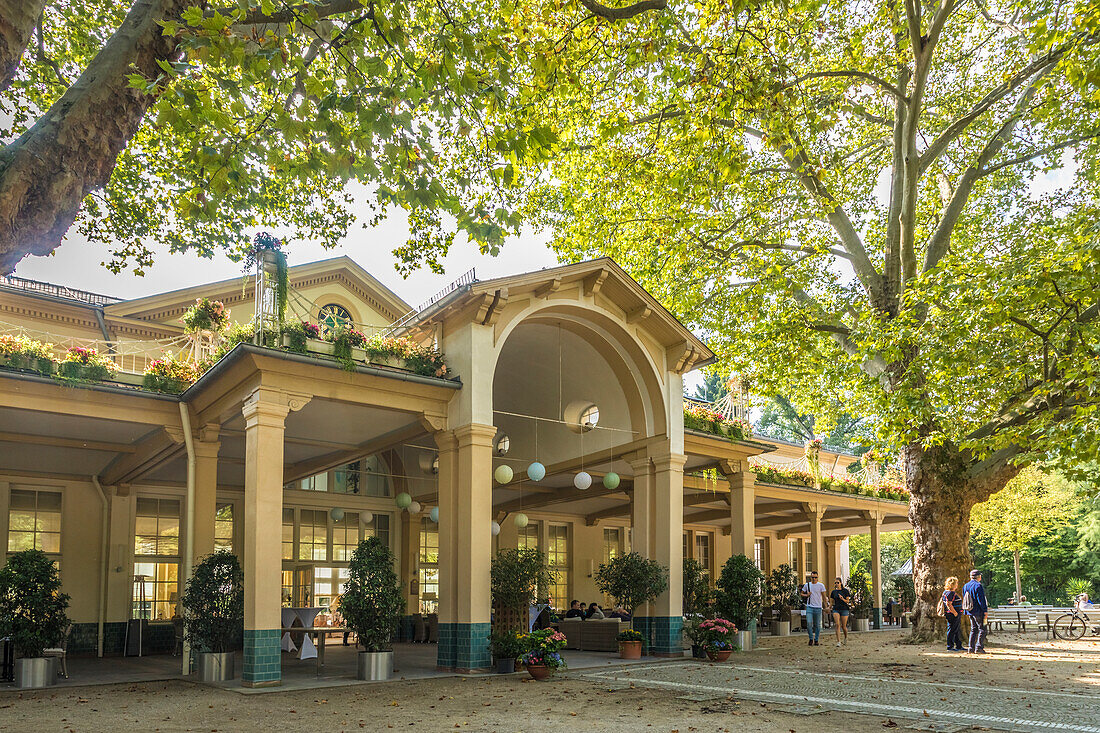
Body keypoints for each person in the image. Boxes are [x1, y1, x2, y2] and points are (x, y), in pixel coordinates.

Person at [962, 569, 988, 654]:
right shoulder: (978, 586)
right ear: (979, 577)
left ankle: (971, 647)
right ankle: (979, 647)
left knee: (974, 629)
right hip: (979, 611)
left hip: (970, 611)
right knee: (983, 629)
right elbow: (981, 600)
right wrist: (985, 611)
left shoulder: (966, 586)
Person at [801, 570, 828, 646]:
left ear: (817, 577)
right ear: (810, 578)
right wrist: (807, 595)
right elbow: (801, 593)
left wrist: (826, 607)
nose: (814, 579)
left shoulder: (821, 585)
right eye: (812, 577)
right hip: (809, 607)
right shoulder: (807, 585)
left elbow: (824, 597)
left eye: (815, 577)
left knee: (817, 625)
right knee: (809, 623)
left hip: (818, 607)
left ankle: (816, 639)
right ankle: (810, 638)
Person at [941, 576, 963, 652]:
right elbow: (949, 604)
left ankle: (958, 645)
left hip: (952, 613)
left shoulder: (945, 592)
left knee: (956, 629)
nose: (957, 585)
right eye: (956, 583)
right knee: (952, 630)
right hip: (952, 614)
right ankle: (950, 646)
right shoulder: (950, 593)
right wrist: (955, 613)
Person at [830, 577, 853, 647]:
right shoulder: (833, 592)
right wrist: (829, 607)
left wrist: (842, 599)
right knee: (837, 624)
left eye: (838, 583)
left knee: (844, 626)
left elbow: (847, 601)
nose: (836, 584)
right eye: (835, 583)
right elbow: (831, 601)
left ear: (841, 583)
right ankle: (838, 641)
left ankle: (845, 637)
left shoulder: (845, 591)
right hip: (836, 609)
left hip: (844, 609)